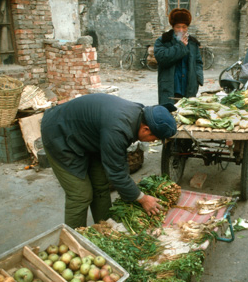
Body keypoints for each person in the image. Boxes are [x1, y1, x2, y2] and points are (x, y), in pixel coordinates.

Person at [41, 94, 177, 229]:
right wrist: (142, 198)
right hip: (59, 134)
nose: (153, 142)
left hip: (89, 136)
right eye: (154, 139)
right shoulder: (118, 128)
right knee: (80, 195)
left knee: (100, 184)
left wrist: (130, 190)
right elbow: (117, 173)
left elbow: (118, 160)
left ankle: (106, 227)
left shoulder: (138, 115)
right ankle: (74, 241)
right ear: (146, 129)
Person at [154, 8, 204, 105]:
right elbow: (162, 58)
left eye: (184, 27)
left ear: (187, 27)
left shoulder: (193, 43)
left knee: (187, 114)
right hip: (171, 85)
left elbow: (198, 62)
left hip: (188, 85)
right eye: (178, 27)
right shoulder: (163, 41)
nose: (181, 30)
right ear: (173, 27)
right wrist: (180, 46)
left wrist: (197, 79)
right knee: (168, 113)